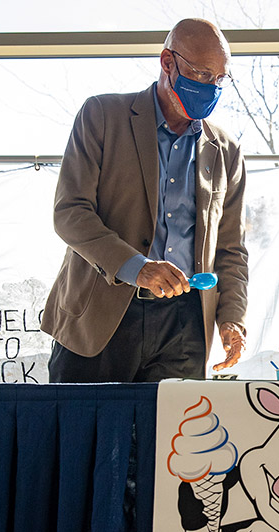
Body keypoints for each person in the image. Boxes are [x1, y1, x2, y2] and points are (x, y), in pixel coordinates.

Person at [41, 18, 249, 382]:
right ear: (167, 62)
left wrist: (232, 318)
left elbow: (231, 249)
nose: (209, 87)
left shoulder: (226, 152)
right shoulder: (103, 116)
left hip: (184, 326)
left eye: (219, 79)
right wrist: (138, 267)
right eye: (200, 74)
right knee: (86, 436)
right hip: (100, 315)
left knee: (173, 438)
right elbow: (70, 212)